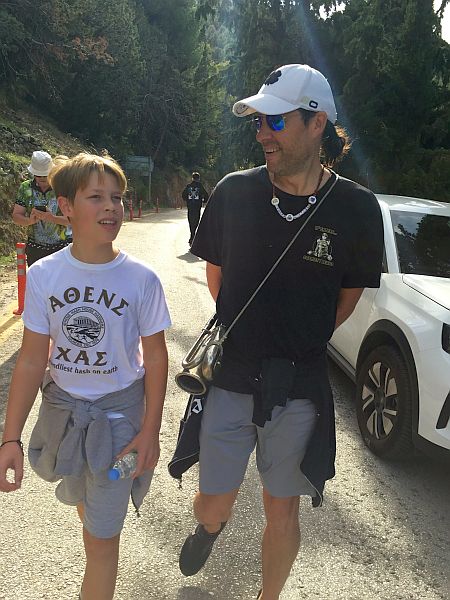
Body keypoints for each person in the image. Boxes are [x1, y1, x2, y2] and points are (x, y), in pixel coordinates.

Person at [179, 64, 384, 599]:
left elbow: (346, 297)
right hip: (231, 374)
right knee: (212, 502)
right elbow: (218, 277)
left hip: (297, 384)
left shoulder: (357, 209)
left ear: (317, 124)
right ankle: (210, 528)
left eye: (275, 121)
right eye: (258, 122)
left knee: (282, 507)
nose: (261, 133)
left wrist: (295, 339)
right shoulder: (233, 192)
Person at [0, 152, 171, 600]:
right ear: (66, 207)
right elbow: (32, 360)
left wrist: (150, 432)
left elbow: (156, 359)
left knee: (101, 540)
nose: (111, 206)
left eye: (117, 197)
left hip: (120, 425)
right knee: (84, 509)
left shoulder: (142, 279)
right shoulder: (44, 275)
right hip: (65, 419)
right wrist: (10, 438)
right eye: (96, 197)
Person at [12, 150, 71, 266]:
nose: (42, 178)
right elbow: (16, 216)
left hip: (62, 247)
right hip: (35, 248)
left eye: (46, 175)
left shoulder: (62, 187)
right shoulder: (25, 187)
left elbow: (73, 220)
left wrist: (52, 218)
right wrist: (30, 221)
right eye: (39, 175)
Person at [181, 171, 209, 245]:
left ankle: (192, 235)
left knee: (190, 221)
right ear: (198, 178)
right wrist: (204, 201)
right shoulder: (200, 186)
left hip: (190, 207)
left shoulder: (188, 186)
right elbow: (206, 195)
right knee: (196, 221)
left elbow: (183, 195)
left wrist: (187, 200)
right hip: (197, 207)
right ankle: (193, 236)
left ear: (192, 178)